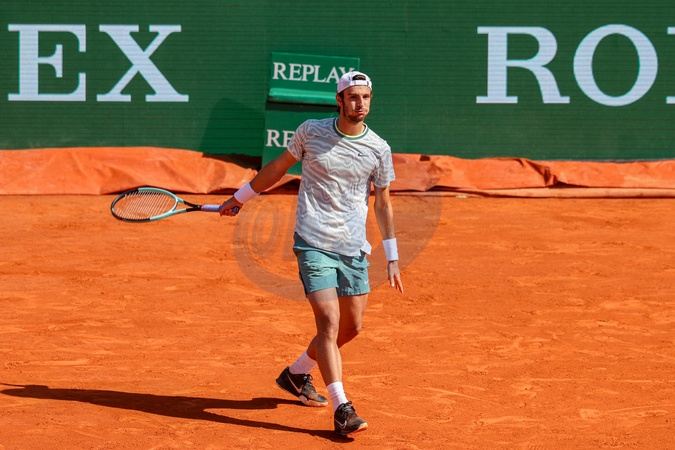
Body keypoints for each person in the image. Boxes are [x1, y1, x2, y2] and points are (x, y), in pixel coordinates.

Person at [219, 71, 403, 436]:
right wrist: (240, 198)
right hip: (313, 241)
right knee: (329, 323)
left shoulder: (378, 149)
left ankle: (297, 372)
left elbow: (382, 202)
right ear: (339, 100)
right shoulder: (310, 132)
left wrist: (392, 255)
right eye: (353, 97)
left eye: (365, 97)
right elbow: (277, 168)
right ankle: (342, 408)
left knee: (350, 327)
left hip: (353, 248)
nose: (360, 104)